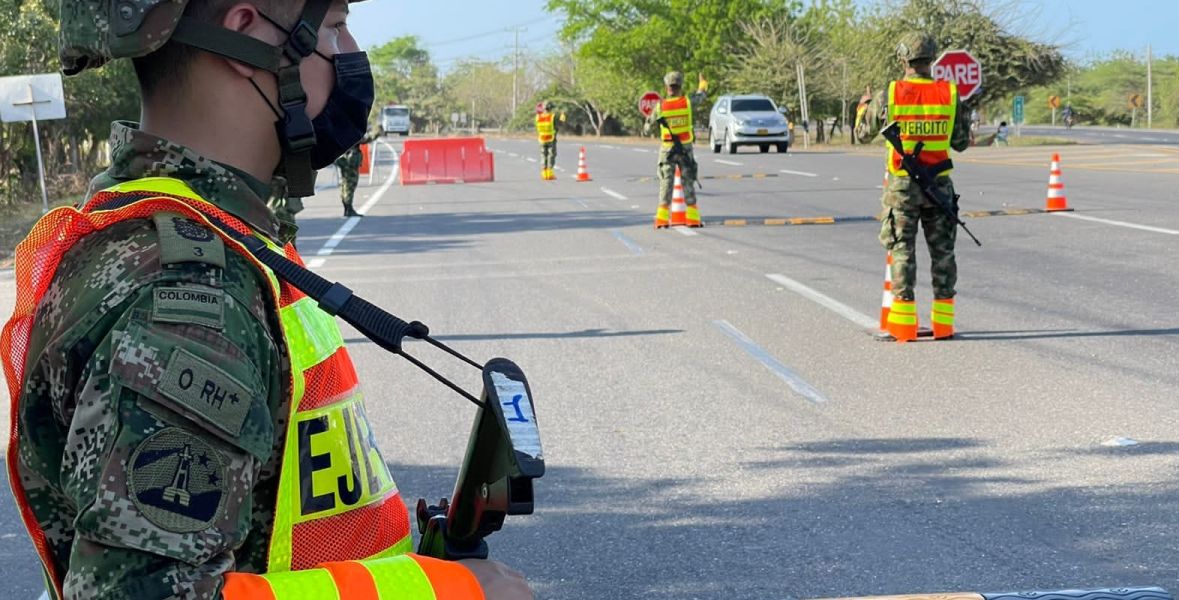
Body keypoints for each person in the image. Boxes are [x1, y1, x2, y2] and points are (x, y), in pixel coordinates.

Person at [0, 1, 533, 598]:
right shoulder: (190, 298)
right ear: (247, 32)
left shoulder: (203, 232)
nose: (352, 51)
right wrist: (444, 592)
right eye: (333, 25)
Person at [854, 32, 971, 343]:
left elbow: (862, 135)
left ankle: (904, 327)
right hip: (939, 185)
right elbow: (960, 143)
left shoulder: (890, 93)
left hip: (903, 187)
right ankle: (943, 326)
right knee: (943, 253)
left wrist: (862, 107)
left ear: (903, 59)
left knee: (902, 250)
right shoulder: (949, 93)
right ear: (931, 59)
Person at [643, 71, 708, 227]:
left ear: (666, 88)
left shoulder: (660, 107)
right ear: (680, 86)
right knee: (688, 181)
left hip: (667, 150)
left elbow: (647, 128)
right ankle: (692, 217)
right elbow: (702, 95)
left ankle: (662, 219)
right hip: (685, 149)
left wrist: (648, 127)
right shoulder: (687, 102)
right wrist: (703, 84)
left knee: (666, 182)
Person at [536, 101, 565, 180]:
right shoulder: (552, 117)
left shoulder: (538, 117)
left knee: (543, 155)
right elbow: (560, 124)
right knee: (551, 155)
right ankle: (549, 174)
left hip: (541, 139)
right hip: (551, 139)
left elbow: (537, 127)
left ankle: (544, 174)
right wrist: (563, 116)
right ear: (551, 108)